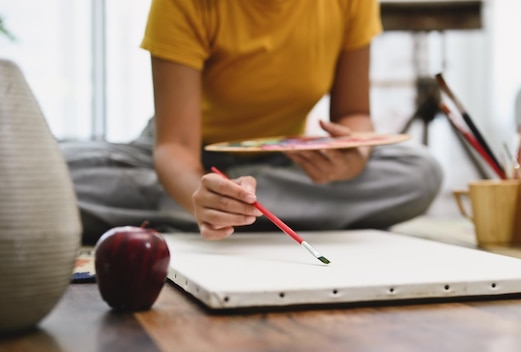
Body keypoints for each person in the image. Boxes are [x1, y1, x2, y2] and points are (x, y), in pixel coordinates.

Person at [64, 0, 443, 244]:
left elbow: (352, 114)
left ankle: (221, 212)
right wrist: (198, 191)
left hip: (286, 156)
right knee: (48, 174)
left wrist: (354, 156)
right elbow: (174, 145)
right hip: (186, 158)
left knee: (420, 171)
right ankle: (224, 209)